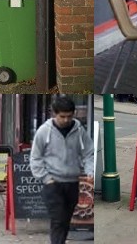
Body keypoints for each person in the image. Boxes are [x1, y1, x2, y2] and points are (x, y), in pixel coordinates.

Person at [30, 97, 94, 244]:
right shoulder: (44, 131)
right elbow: (35, 158)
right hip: (53, 183)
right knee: (58, 219)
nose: (66, 120)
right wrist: (47, 179)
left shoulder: (79, 130)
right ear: (54, 114)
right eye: (62, 116)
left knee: (65, 220)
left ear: (74, 114)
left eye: (69, 116)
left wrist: (90, 171)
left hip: (72, 182)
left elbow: (88, 152)